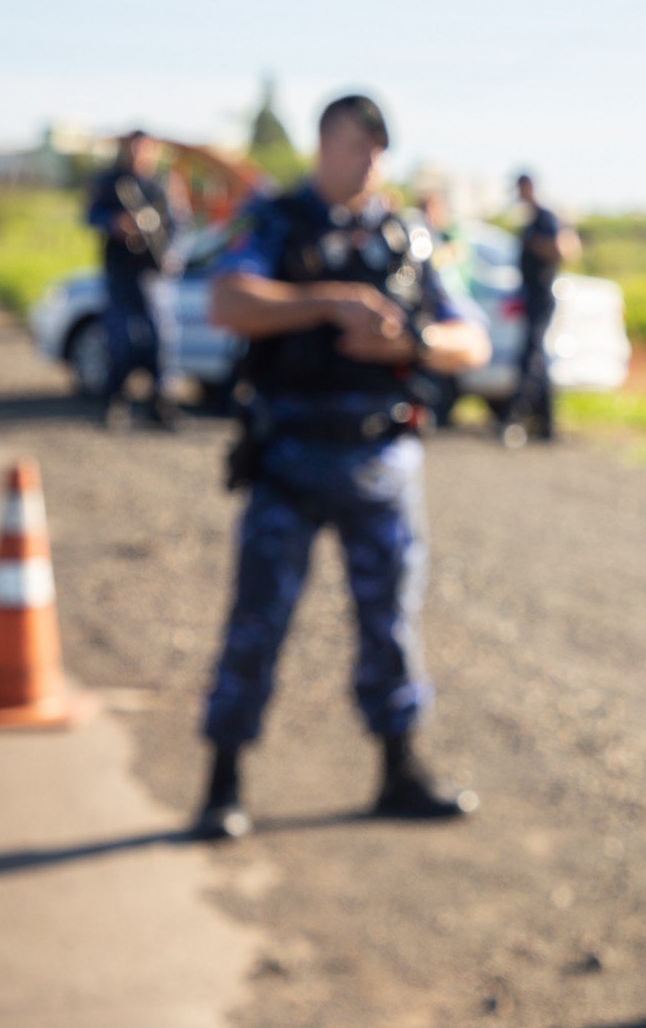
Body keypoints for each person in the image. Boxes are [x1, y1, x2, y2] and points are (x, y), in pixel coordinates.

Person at [194, 94, 492, 841]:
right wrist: (330, 303)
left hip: (380, 458)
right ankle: (222, 783)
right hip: (289, 455)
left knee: (391, 622)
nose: (364, 162)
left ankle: (399, 769)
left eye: (376, 150)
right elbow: (228, 301)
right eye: (353, 145)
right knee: (256, 624)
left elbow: (472, 341)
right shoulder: (276, 220)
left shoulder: (409, 235)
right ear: (324, 144)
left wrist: (412, 343)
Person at [85, 129, 182, 428]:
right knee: (119, 340)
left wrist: (173, 253)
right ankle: (115, 402)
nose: (139, 154)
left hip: (153, 273)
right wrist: (115, 224)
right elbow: (91, 216)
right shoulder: (111, 182)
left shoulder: (163, 184)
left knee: (160, 339)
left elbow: (179, 224)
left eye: (145, 149)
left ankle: (160, 405)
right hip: (120, 272)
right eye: (134, 149)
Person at [502, 172, 580, 447]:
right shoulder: (530, 218)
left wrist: (535, 245)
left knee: (531, 356)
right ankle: (546, 424)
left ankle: (515, 417)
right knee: (537, 358)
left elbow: (565, 248)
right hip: (530, 294)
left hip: (541, 293)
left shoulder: (545, 217)